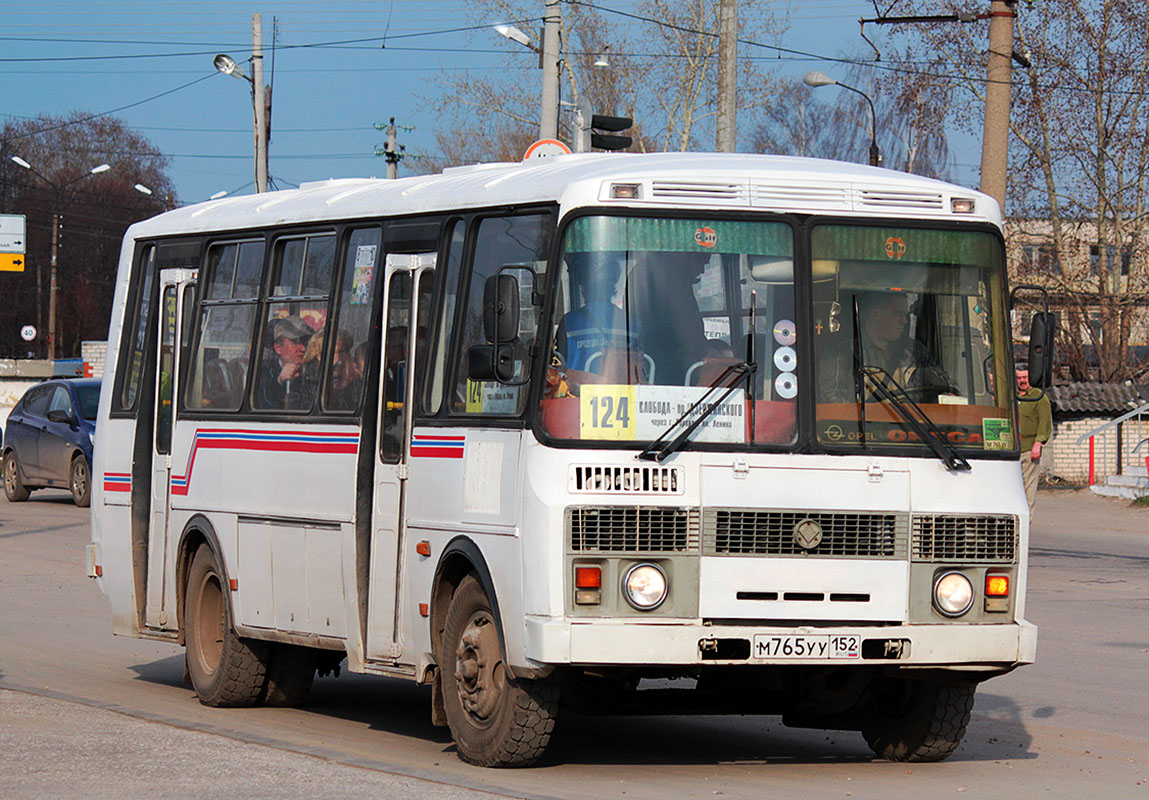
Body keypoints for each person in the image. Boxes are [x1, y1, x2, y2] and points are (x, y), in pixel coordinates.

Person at [818, 291, 953, 403]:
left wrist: (933, 379)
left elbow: (948, 387)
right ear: (875, 314)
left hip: (913, 429)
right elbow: (834, 400)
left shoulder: (915, 352)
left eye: (905, 314)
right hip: (863, 431)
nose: (904, 321)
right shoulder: (843, 352)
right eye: (897, 313)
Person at [630, 251, 710, 384]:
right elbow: (691, 333)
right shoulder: (676, 278)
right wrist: (707, 351)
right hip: (672, 367)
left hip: (645, 364)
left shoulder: (639, 272)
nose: (702, 269)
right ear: (681, 253)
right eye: (700, 259)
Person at [553, 251, 636, 372]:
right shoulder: (631, 322)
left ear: (583, 285)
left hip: (577, 391)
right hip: (623, 391)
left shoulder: (568, 323)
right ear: (613, 283)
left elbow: (558, 367)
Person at [1016, 363, 1052, 517]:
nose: (1022, 381)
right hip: (1011, 449)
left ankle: (1027, 518)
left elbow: (1044, 423)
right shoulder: (1011, 396)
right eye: (1018, 378)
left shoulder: (1039, 397)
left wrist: (1038, 443)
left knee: (1028, 485)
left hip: (1029, 448)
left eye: (1024, 377)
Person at [258, 315, 315, 410]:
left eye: (305, 342)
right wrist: (279, 382)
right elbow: (261, 407)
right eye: (295, 343)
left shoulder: (315, 371)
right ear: (278, 348)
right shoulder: (266, 374)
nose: (303, 349)